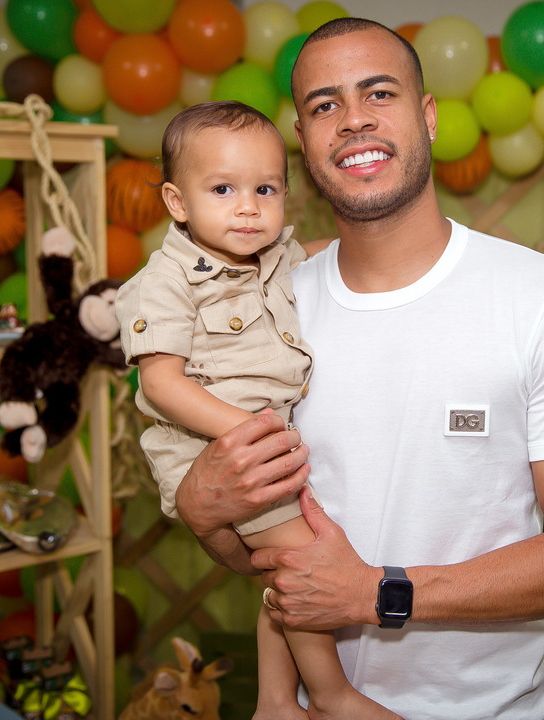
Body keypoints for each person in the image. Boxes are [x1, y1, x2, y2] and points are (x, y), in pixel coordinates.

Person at [174, 18, 544, 719]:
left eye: (379, 93)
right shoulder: (265, 311)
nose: (353, 120)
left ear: (429, 116)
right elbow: (269, 556)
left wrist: (378, 592)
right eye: (324, 105)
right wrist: (205, 518)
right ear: (302, 142)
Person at [115, 100, 399, 720]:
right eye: (223, 189)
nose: (247, 207)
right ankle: (333, 697)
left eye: (265, 189)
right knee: (302, 566)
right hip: (212, 448)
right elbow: (161, 384)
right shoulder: (165, 280)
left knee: (279, 576)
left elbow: (322, 253)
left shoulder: (274, 257)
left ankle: (274, 702)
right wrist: (246, 434)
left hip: (264, 442)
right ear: (176, 202)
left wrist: (378, 239)